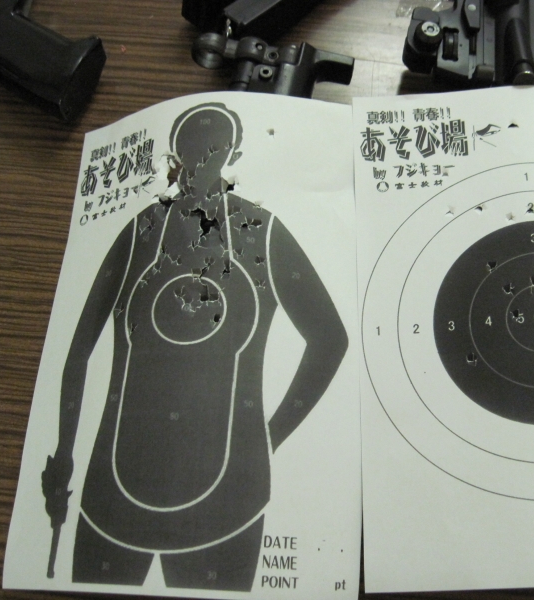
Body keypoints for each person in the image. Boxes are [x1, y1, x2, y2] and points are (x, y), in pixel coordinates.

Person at [41, 102, 348, 590]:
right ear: (176, 152)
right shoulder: (143, 230)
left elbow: (331, 340)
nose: (203, 159)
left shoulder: (259, 232)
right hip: (117, 494)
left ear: (233, 155)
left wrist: (267, 440)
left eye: (214, 149)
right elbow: (78, 351)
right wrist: (62, 457)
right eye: (195, 148)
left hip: (224, 497)